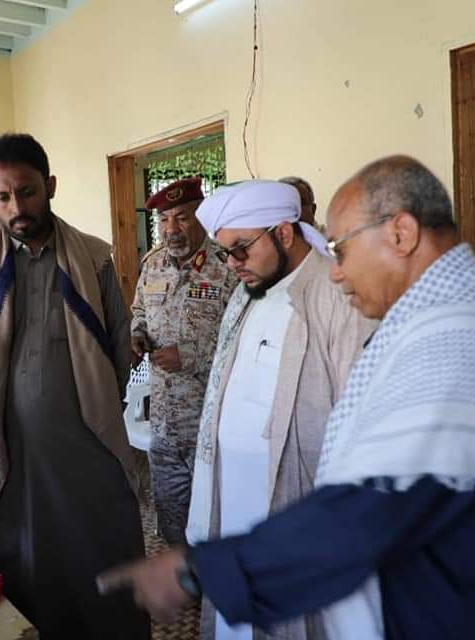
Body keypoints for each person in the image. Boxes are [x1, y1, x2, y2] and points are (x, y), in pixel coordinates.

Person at [99, 156, 475, 639]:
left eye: (340, 248)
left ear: (401, 234)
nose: (336, 272)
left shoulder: (459, 336)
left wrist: (203, 571)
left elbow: (369, 511)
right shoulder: (452, 313)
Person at [0, 132, 149, 638]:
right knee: (16, 564)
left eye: (27, 192)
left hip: (84, 451)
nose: (16, 207)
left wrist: (100, 408)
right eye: (2, 197)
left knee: (98, 558)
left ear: (49, 186)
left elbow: (119, 346)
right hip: (0, 450)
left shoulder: (93, 259)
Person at [183, 180, 375, 640]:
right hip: (233, 498)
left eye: (241, 249)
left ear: (284, 233)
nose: (233, 264)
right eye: (225, 252)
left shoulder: (339, 295)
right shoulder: (246, 290)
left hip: (293, 501)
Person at [131, 177, 237, 546]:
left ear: (200, 218)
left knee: (218, 517)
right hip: (163, 423)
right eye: (164, 220)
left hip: (212, 426)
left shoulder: (228, 266)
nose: (171, 229)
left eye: (181, 218)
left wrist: (189, 355)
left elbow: (245, 337)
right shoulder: (153, 264)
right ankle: (184, 577)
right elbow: (139, 310)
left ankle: (216, 580)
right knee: (172, 517)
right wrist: (137, 333)